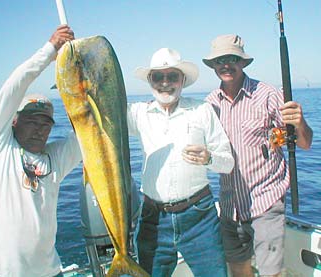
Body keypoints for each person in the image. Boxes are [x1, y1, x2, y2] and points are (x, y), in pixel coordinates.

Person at [0, 25, 82, 277]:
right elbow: (12, 88)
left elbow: (88, 134)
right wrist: (50, 50)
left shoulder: (54, 160)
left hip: (49, 272)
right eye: (31, 121)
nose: (39, 129)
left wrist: (80, 78)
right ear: (14, 121)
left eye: (45, 123)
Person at [203, 34, 313, 277]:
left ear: (242, 62)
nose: (225, 64)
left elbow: (305, 143)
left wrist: (300, 122)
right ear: (213, 65)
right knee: (239, 271)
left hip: (266, 202)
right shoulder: (209, 104)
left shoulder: (268, 94)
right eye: (220, 60)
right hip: (231, 206)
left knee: (270, 272)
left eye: (232, 58)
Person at [128, 47, 234, 276]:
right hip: (152, 219)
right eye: (158, 76)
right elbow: (96, 114)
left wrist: (209, 157)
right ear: (149, 80)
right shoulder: (136, 113)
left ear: (182, 80)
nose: (165, 83)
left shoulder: (202, 110)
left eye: (172, 76)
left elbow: (228, 163)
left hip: (200, 218)